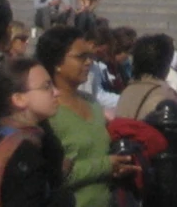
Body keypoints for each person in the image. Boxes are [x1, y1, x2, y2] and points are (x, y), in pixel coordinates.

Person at [38, 25, 137, 207]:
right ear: (57, 63)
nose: (88, 62)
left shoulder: (92, 103)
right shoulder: (48, 112)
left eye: (89, 56)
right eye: (80, 57)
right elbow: (53, 175)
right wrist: (106, 166)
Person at [0, 55, 68, 207]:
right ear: (18, 99)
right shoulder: (20, 152)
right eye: (46, 87)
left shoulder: (35, 137)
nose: (56, 92)